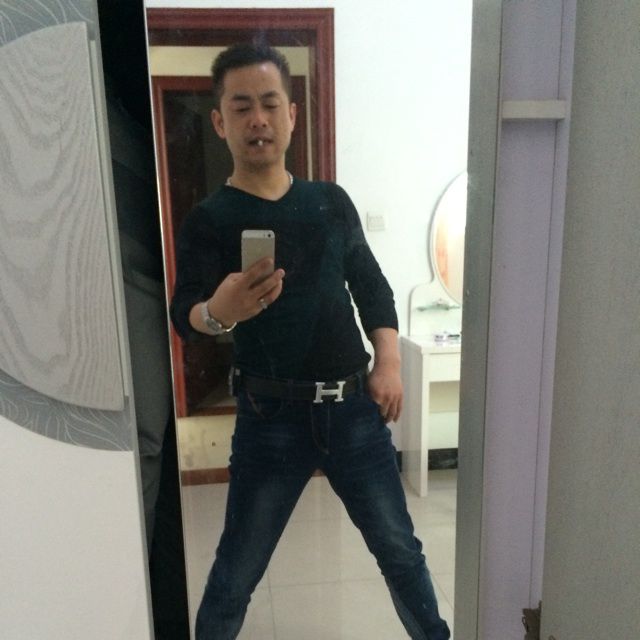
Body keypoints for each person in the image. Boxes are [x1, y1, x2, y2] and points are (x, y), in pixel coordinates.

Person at [170, 42, 451, 640]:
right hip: (269, 416)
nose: (258, 119)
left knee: (400, 551)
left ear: (292, 114)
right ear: (219, 121)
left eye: (270, 103)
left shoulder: (329, 201)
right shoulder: (208, 219)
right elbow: (183, 312)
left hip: (353, 411)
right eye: (241, 107)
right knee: (236, 571)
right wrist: (219, 312)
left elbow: (372, 287)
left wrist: (389, 362)